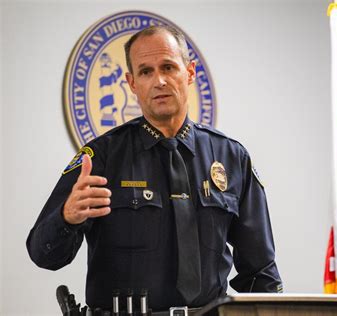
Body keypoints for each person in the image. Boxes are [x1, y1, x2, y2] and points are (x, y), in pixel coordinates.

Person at [26, 25, 282, 312]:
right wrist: (67, 218)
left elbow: (261, 273)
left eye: (168, 67)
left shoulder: (231, 157)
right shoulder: (101, 158)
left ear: (190, 72)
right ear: (132, 83)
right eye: (146, 72)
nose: (159, 80)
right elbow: (42, 254)